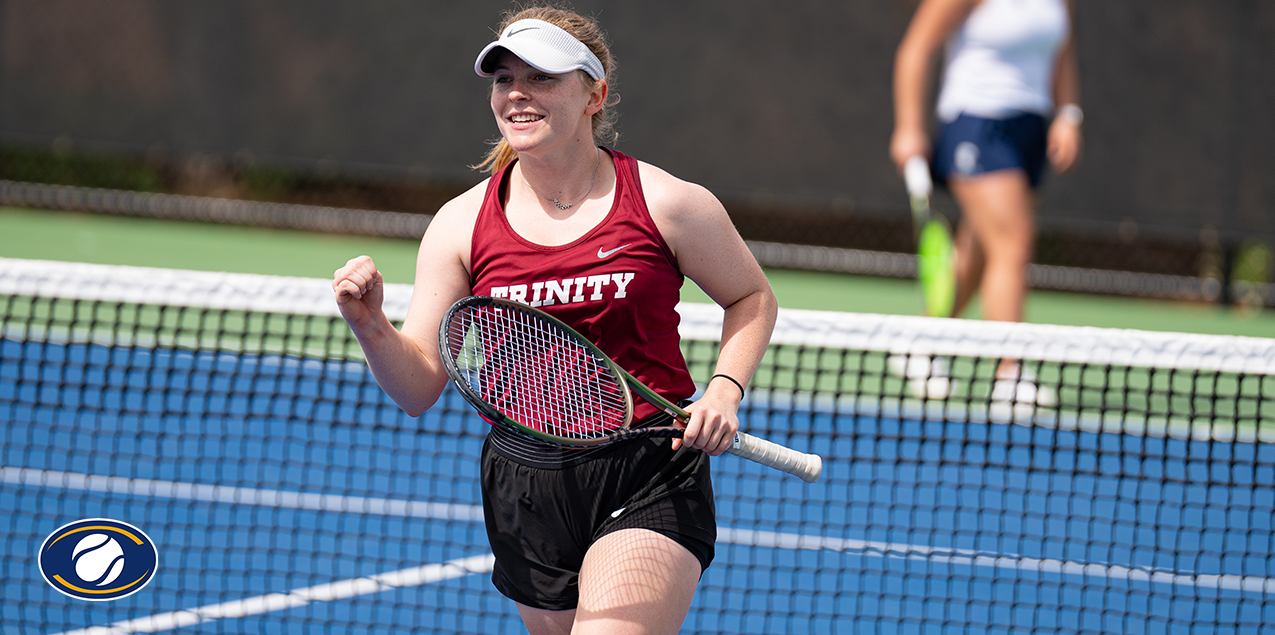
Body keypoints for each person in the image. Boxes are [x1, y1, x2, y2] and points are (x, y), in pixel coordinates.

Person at [332, 6, 777, 634]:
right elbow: (418, 388)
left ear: (594, 93)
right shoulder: (460, 224)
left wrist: (725, 390)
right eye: (503, 78)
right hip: (524, 485)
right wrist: (371, 324)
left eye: (541, 77)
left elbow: (752, 298)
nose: (517, 94)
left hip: (648, 466)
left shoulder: (668, 203)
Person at [890, 0, 1082, 405]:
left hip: (1028, 128)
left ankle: (921, 342)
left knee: (980, 252)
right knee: (1012, 244)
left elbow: (1062, 49)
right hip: (976, 124)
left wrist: (1068, 112)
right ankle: (1010, 373)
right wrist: (908, 128)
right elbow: (916, 47)